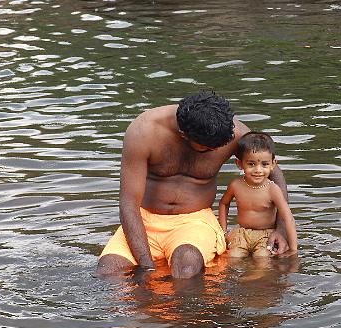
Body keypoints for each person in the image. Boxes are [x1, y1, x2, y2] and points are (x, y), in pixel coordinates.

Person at [96, 91, 292, 279]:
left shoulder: (233, 132)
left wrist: (280, 230)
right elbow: (128, 203)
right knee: (108, 272)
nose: (214, 150)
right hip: (144, 218)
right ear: (184, 134)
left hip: (195, 220)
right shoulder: (144, 130)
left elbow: (275, 174)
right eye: (207, 148)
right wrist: (146, 269)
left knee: (187, 264)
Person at [218, 132, 298, 258]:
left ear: (273, 164)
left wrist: (293, 251)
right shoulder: (235, 185)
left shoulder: (273, 189)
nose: (258, 170)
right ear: (239, 164)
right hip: (241, 233)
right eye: (251, 164)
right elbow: (224, 203)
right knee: (233, 257)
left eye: (264, 164)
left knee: (262, 258)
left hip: (265, 235)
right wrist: (223, 231)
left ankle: (256, 277)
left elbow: (288, 218)